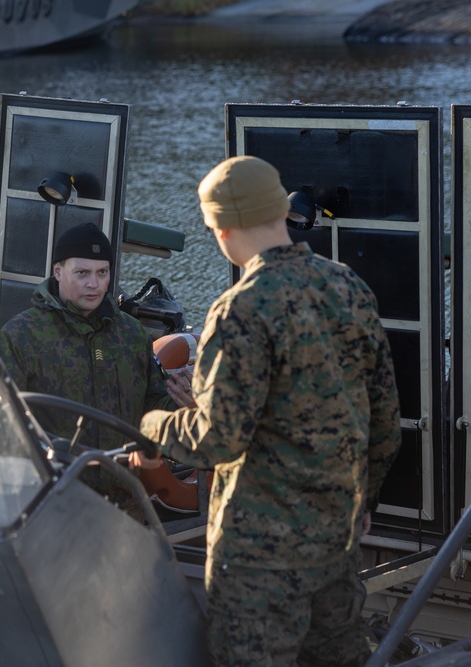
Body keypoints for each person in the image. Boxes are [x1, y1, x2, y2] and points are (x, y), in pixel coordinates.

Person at [134, 156, 402, 666]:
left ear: (221, 227)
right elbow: (385, 421)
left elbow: (217, 438)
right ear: (281, 211)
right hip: (335, 543)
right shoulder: (349, 288)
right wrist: (363, 500)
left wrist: (153, 425)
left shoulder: (239, 310)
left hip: (258, 562)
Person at [0, 222, 194, 509]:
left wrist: (184, 407)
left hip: (124, 507)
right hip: (51, 505)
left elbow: (151, 407)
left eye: (102, 273)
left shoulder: (132, 334)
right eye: (82, 273)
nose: (94, 284)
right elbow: (1, 422)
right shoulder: (21, 336)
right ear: (57, 272)